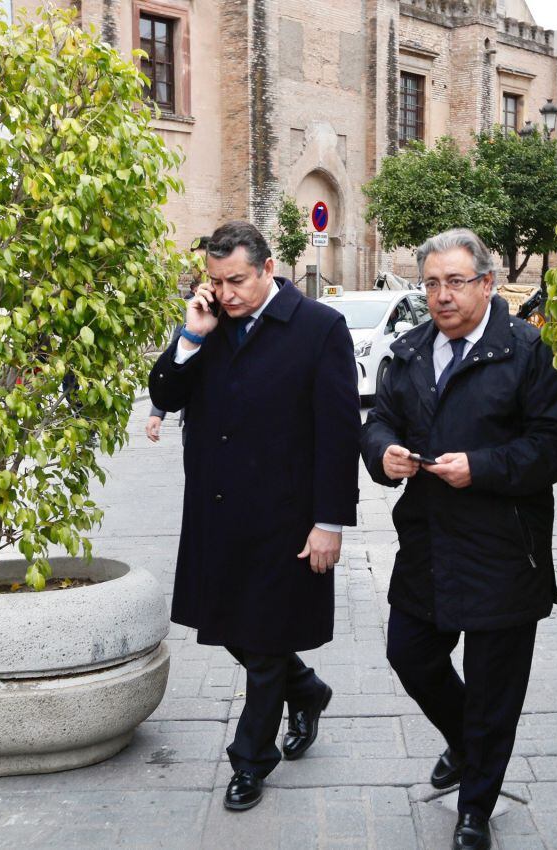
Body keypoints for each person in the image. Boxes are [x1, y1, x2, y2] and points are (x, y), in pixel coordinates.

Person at [361, 228, 557, 850]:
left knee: (493, 689)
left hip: (504, 551)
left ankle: (475, 807)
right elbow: (378, 421)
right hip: (428, 543)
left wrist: (482, 467)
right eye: (431, 283)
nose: (441, 295)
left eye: (456, 282)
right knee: (410, 655)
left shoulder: (529, 350)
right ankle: (467, 745)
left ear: (486, 284)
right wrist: (385, 454)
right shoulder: (408, 352)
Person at [149, 220, 360, 811]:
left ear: (267, 268)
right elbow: (164, 394)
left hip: (286, 520)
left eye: (236, 280)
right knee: (231, 631)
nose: (226, 292)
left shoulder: (320, 328)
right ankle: (308, 690)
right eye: (216, 281)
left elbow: (338, 436)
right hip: (217, 514)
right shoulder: (209, 325)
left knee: (263, 643)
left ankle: (250, 760)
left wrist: (330, 522)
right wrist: (190, 337)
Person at [146, 237, 209, 445]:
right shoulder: (190, 307)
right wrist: (157, 411)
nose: (199, 269)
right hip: (194, 414)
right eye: (195, 264)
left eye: (203, 263)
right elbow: (174, 356)